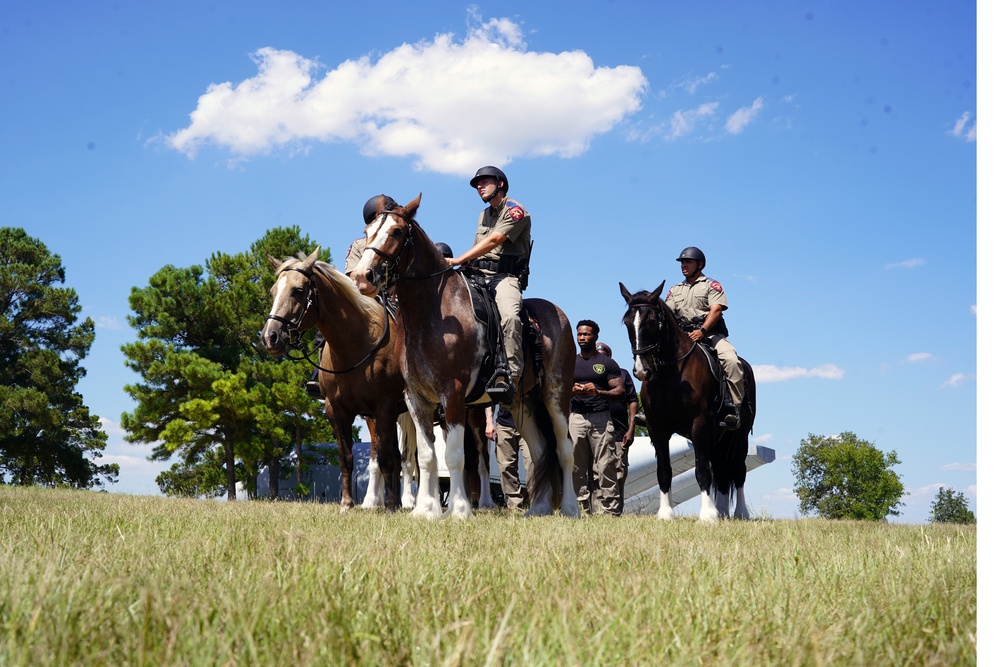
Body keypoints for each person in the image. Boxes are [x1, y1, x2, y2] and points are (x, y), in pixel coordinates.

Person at [445, 166, 531, 404]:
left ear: (500, 184)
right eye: (477, 184)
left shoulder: (516, 211)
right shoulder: (483, 215)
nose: (479, 187)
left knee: (510, 317)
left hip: (504, 277)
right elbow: (478, 246)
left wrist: (460, 258)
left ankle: (512, 376)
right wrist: (463, 266)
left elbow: (494, 241)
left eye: (484, 182)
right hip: (478, 274)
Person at [306, 194, 399, 398]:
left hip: (395, 297)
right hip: (366, 297)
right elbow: (351, 276)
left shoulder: (396, 240)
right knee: (329, 324)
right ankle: (319, 372)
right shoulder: (358, 245)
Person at [665, 246, 744, 430]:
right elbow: (668, 314)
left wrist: (702, 330)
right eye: (682, 262)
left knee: (731, 360)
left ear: (699, 264)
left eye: (688, 262)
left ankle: (734, 408)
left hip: (709, 335)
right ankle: (652, 408)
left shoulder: (711, 285)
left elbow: (716, 310)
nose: (684, 265)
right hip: (683, 337)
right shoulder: (675, 289)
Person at [570, 320, 624, 515]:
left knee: (606, 465)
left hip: (601, 417)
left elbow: (620, 391)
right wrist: (572, 389)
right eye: (580, 334)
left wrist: (598, 392)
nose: (582, 338)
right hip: (575, 418)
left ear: (596, 337)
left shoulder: (606, 363)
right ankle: (581, 510)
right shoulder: (570, 361)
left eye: (587, 334)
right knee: (576, 466)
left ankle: (611, 511)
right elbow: (557, 389)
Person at [596, 342, 638, 510]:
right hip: (597, 431)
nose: (600, 356)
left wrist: (631, 427)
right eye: (598, 353)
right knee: (596, 470)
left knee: (618, 470)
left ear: (609, 357)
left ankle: (616, 509)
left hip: (620, 432)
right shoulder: (590, 374)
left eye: (603, 353)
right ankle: (597, 509)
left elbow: (633, 401)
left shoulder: (622, 374)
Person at [485, 404, 532, 510]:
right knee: (505, 467)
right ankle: (514, 507)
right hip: (504, 424)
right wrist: (489, 421)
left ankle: (537, 504)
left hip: (529, 423)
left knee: (532, 464)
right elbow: (490, 397)